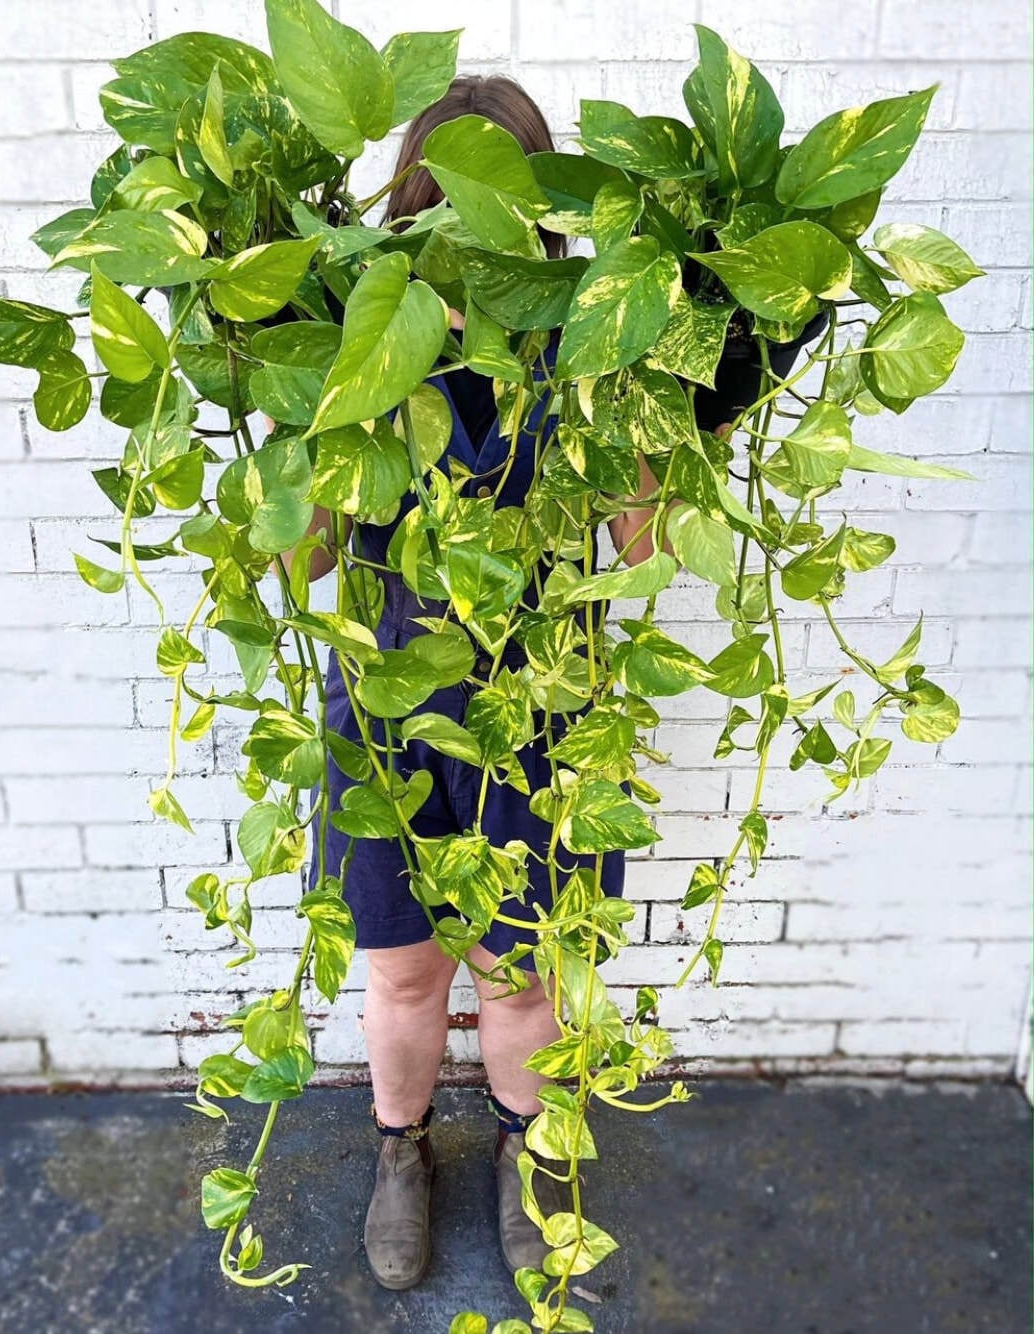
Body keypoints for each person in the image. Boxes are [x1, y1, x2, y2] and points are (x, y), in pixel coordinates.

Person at [284, 74, 722, 1291]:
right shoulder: (361, 348)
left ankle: (530, 1161)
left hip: (541, 710)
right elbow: (309, 555)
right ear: (415, 198)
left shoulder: (585, 343)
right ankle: (400, 1153)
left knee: (523, 968)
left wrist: (675, 408)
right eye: (446, 195)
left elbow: (638, 551)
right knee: (407, 965)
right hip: (392, 708)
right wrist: (275, 406)